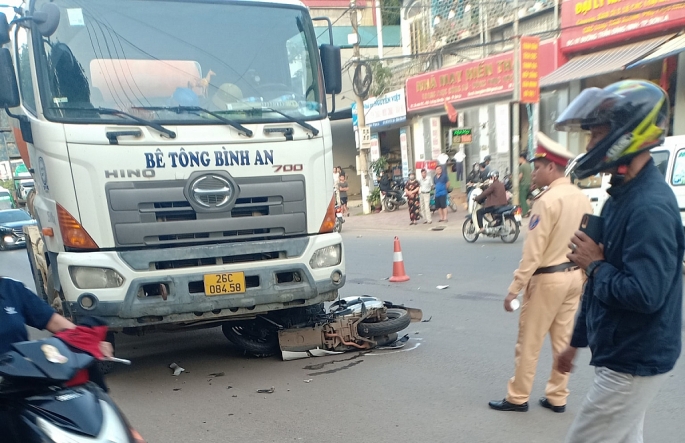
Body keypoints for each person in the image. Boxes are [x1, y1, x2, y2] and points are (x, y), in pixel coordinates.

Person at [555, 80, 683, 442]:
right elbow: (597, 281)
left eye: (596, 135)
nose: (590, 146)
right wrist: (576, 341)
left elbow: (646, 293)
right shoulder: (619, 198)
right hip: (621, 352)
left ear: (627, 135)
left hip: (633, 360)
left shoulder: (648, 208)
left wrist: (594, 263)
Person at [488, 133, 592, 413]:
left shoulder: (546, 202)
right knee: (562, 340)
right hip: (574, 278)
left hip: (547, 280)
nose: (533, 172)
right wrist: (582, 277)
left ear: (551, 168)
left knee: (530, 342)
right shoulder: (582, 198)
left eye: (537, 167)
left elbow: (533, 254)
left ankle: (518, 396)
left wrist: (514, 289)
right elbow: (589, 241)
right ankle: (558, 396)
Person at [518, 153, 532, 217]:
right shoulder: (529, 165)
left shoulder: (521, 166)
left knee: (522, 198)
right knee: (526, 198)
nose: (518, 160)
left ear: (522, 158)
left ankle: (525, 212)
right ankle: (528, 210)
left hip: (523, 184)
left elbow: (520, 176)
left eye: (519, 158)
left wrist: (516, 182)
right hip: (529, 184)